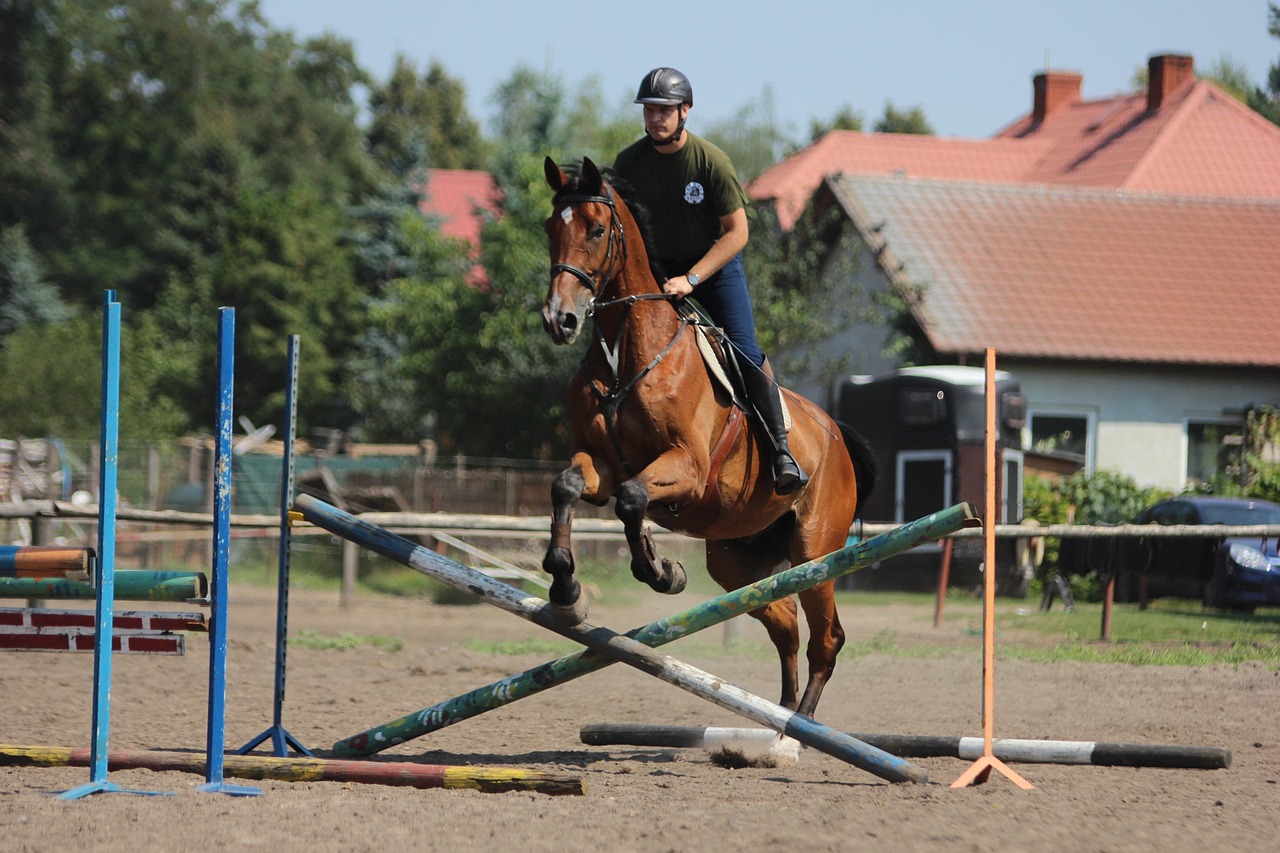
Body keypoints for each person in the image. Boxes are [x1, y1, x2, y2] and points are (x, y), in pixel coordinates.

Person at [612, 67, 808, 495]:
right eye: (649, 110)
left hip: (713, 270)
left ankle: (781, 450)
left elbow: (738, 233)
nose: (655, 118)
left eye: (664, 110)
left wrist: (693, 277)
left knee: (743, 348)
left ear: (686, 111)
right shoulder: (629, 163)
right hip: (657, 272)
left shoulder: (710, 161)